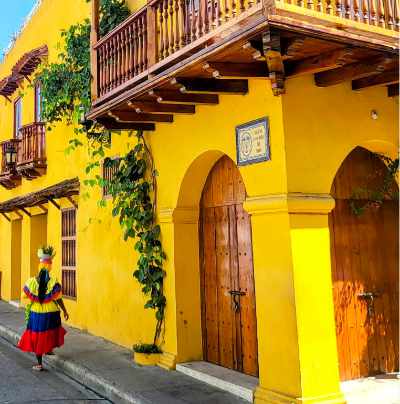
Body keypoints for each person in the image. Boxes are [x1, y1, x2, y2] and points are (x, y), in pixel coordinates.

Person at [18, 246, 69, 371]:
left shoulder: (32, 282)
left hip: (37, 313)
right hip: (51, 312)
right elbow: (58, 298)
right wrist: (64, 310)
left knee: (38, 336)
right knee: (50, 331)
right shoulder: (53, 282)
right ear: (50, 267)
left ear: (39, 266)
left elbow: (24, 295)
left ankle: (39, 364)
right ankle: (49, 350)